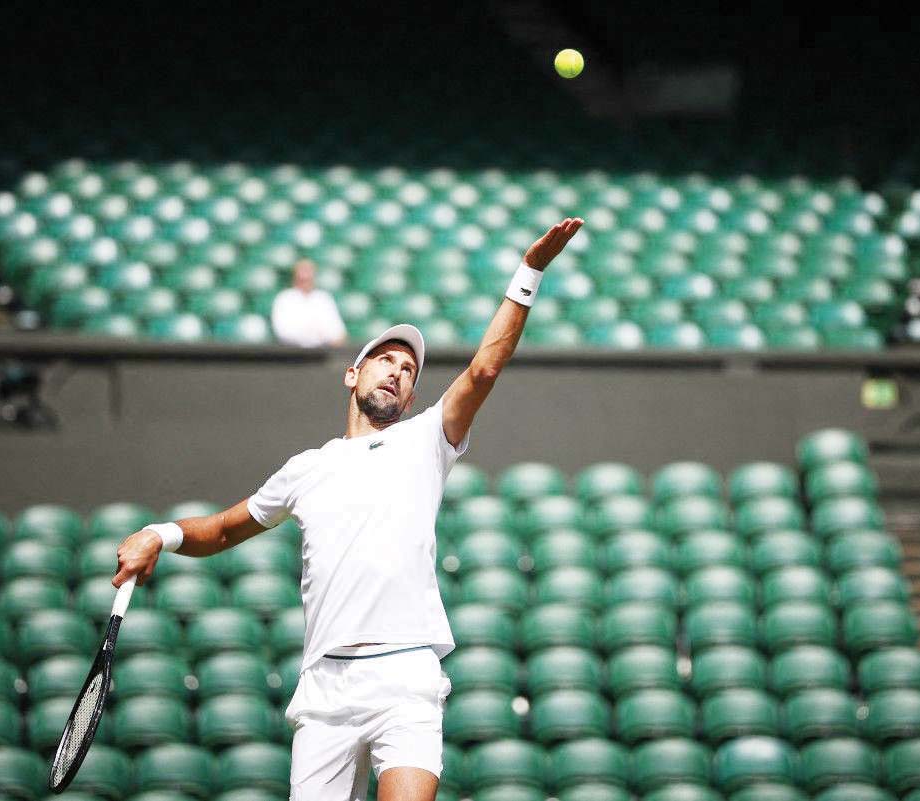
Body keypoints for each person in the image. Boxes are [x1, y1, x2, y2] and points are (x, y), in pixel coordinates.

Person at [112, 218, 585, 801]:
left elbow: (484, 369)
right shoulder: (305, 469)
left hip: (406, 676)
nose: (399, 371)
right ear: (353, 373)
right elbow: (221, 529)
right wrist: (159, 533)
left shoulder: (426, 440)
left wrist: (529, 271)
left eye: (409, 370)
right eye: (387, 359)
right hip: (326, 687)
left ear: (412, 396)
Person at [271, 258, 349, 347]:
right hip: (292, 354)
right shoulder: (284, 298)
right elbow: (283, 332)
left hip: (323, 354)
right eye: (302, 273)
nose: (306, 277)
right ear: (295, 276)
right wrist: (317, 335)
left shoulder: (323, 298)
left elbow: (338, 332)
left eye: (308, 272)